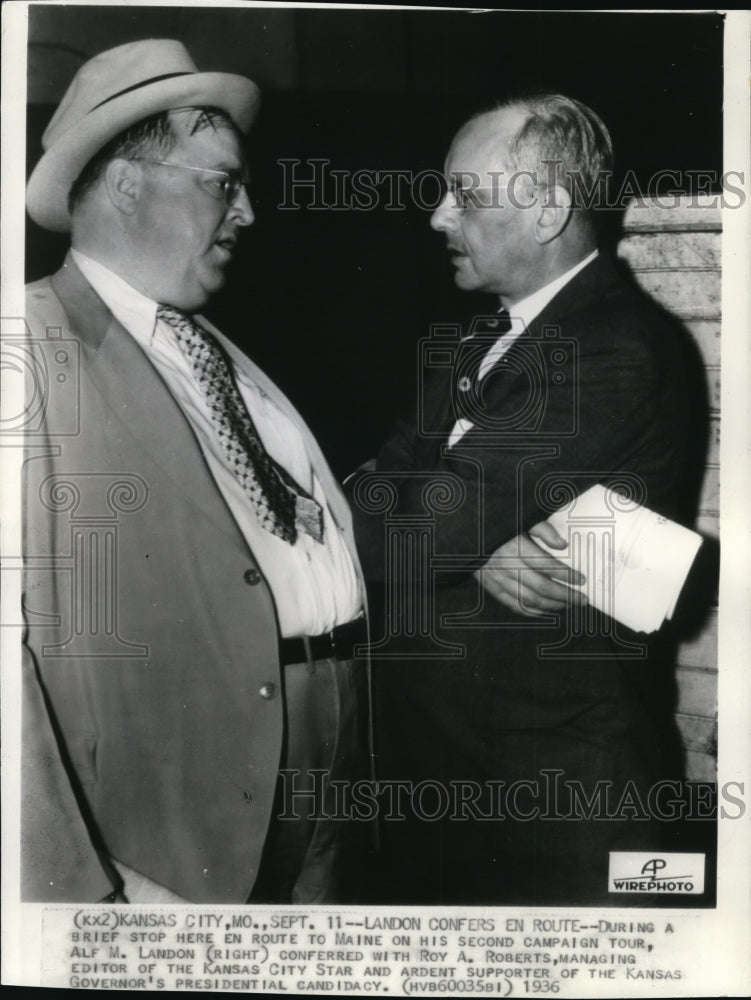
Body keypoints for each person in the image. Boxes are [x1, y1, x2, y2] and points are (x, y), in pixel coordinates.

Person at [21, 39, 370, 905]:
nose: (247, 212)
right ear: (127, 184)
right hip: (166, 828)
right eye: (222, 183)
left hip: (326, 770)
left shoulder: (213, 346)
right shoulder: (27, 347)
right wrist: (81, 879)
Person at [351, 94, 693, 905]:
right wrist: (479, 539)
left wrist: (450, 526)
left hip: (559, 804)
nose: (437, 217)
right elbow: (381, 486)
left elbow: (399, 519)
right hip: (456, 785)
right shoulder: (481, 336)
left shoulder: (613, 348)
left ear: (547, 211)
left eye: (464, 196)